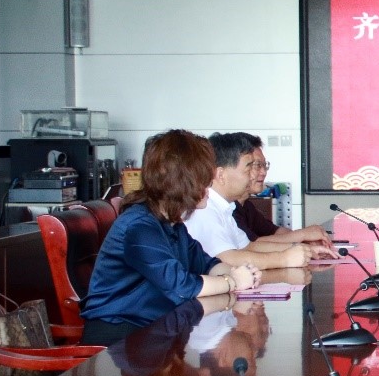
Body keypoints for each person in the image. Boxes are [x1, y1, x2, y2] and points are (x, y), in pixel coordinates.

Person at [82, 130, 261, 345]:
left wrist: (238, 272)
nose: (209, 186)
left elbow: (206, 264)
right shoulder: (139, 227)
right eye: (204, 179)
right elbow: (182, 287)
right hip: (118, 338)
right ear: (181, 182)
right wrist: (233, 281)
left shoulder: (172, 224)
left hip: (153, 333)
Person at [184, 132, 328, 268]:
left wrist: (303, 249)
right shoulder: (204, 209)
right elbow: (225, 258)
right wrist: (284, 259)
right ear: (221, 175)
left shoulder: (226, 207)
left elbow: (249, 247)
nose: (253, 176)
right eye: (248, 170)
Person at [231, 133, 330, 246]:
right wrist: (302, 235)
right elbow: (250, 245)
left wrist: (306, 239)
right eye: (257, 165)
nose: (263, 172)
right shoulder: (226, 208)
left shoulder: (246, 206)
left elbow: (275, 231)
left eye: (264, 165)